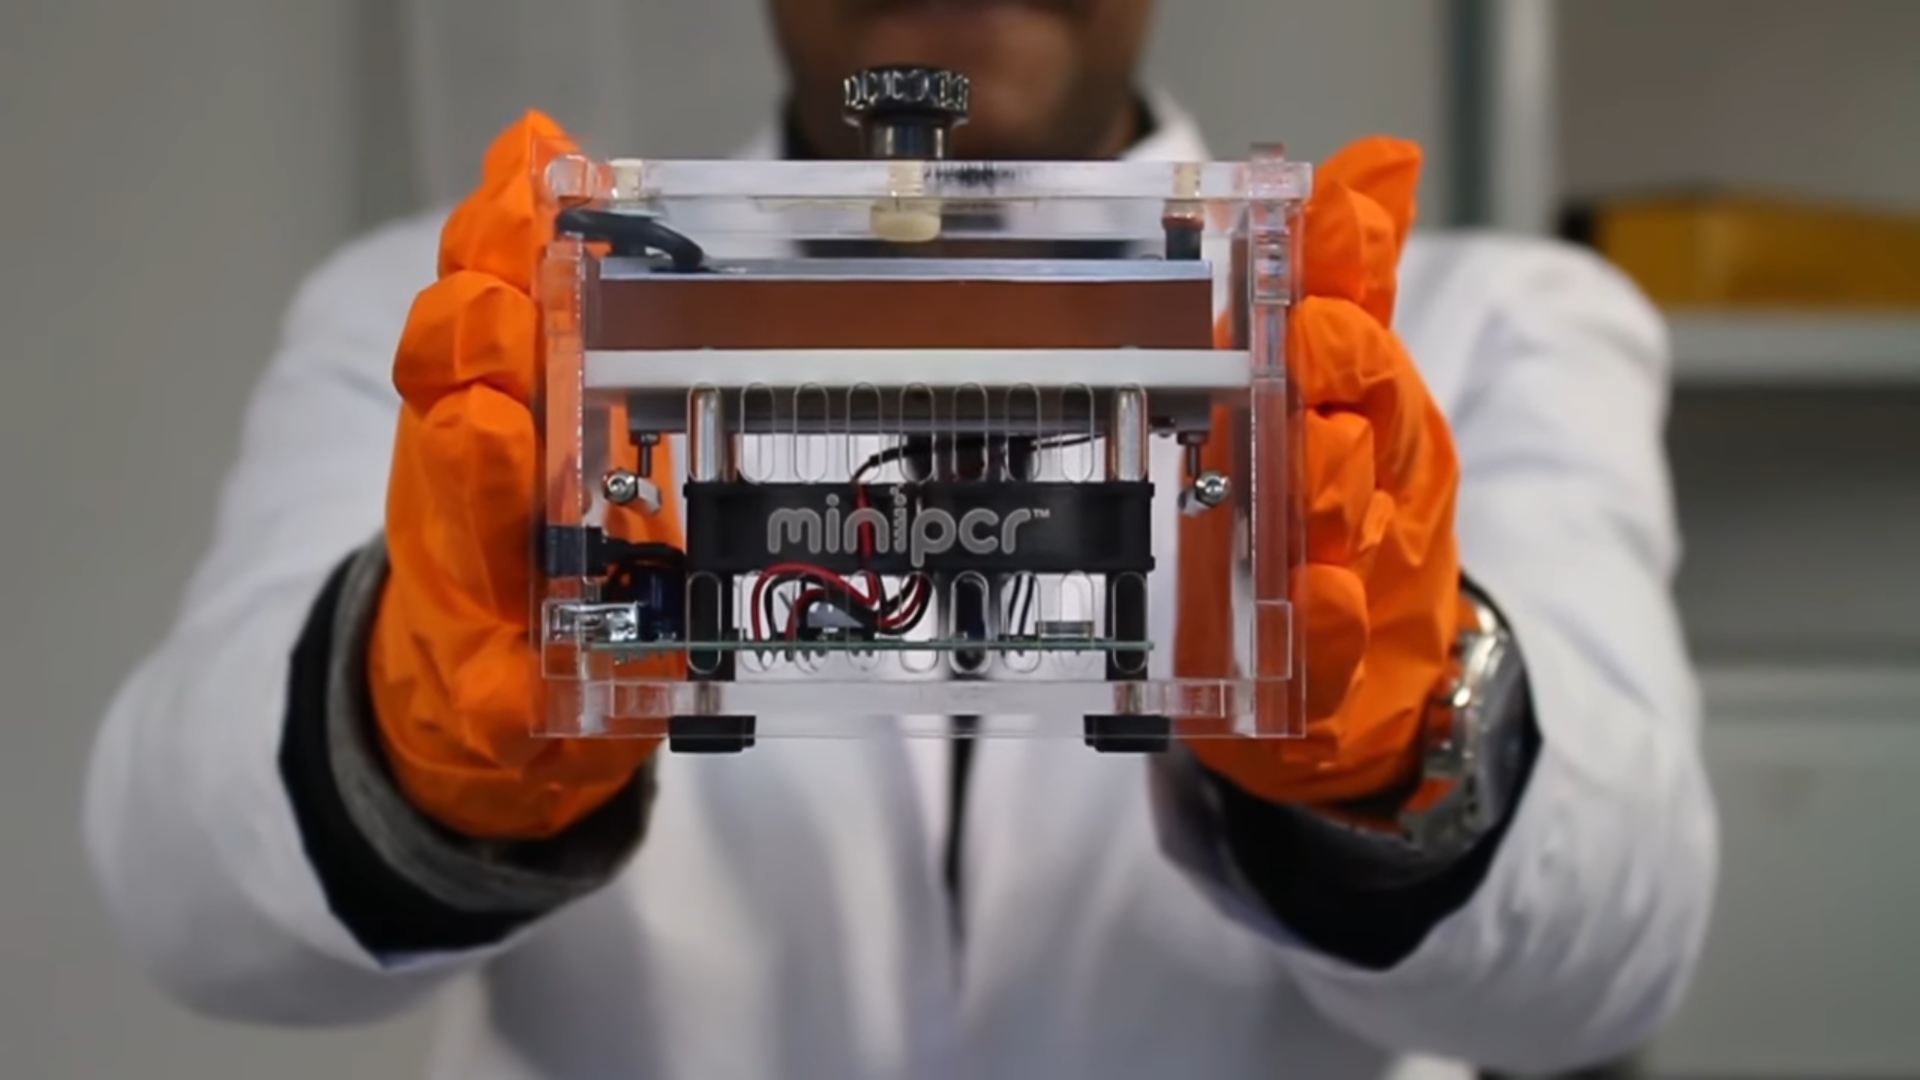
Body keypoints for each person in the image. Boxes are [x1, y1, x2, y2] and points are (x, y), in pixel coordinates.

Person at [81, 1, 1718, 1078]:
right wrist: (403, 729)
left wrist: (1408, 744)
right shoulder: (470, 311)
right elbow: (184, 894)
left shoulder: (1469, 322)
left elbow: (1613, 950)